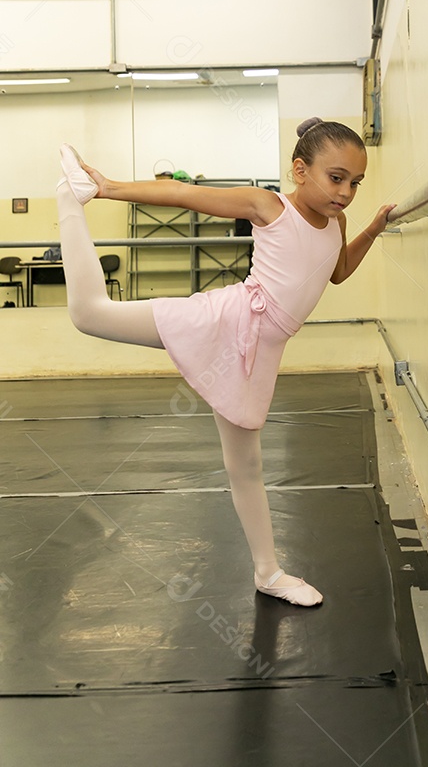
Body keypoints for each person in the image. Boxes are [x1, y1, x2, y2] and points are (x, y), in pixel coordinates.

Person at [56, 117, 395, 607]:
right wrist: (106, 188)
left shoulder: (337, 223)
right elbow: (186, 197)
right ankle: (71, 198)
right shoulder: (269, 206)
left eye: (355, 183)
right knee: (90, 314)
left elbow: (338, 270)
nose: (346, 192)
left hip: (260, 349)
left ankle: (268, 573)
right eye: (336, 177)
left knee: (246, 463)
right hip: (230, 320)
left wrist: (373, 228)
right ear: (300, 170)